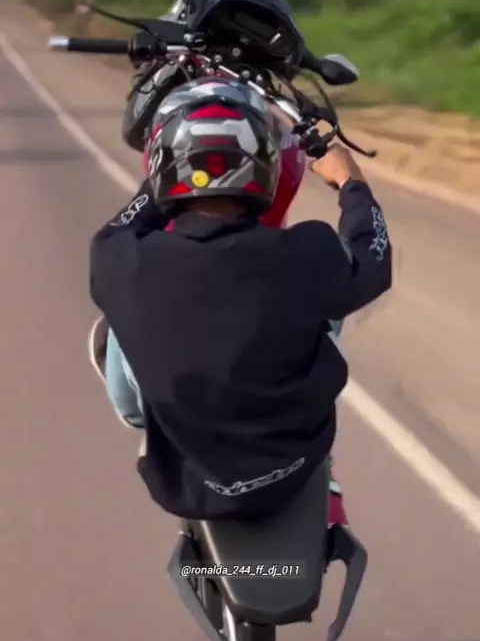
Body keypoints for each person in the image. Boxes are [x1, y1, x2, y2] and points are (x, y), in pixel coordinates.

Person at [89, 78, 392, 524]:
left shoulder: (122, 260)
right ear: (265, 168)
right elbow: (374, 257)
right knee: (326, 306)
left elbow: (118, 229)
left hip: (182, 484)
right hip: (294, 466)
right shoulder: (309, 253)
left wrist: (176, 166)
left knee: (115, 327)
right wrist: (351, 182)